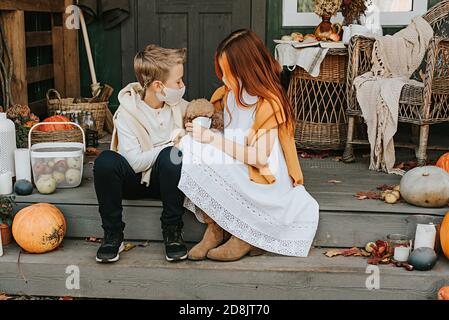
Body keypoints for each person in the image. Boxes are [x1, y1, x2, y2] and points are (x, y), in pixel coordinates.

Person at [178, 29, 320, 262]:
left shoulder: (268, 102)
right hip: (237, 157)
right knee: (190, 147)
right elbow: (224, 126)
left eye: (228, 73)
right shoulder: (230, 93)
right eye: (222, 72)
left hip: (261, 174)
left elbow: (259, 157)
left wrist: (211, 139)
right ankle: (216, 227)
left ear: (246, 70)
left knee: (201, 149)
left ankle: (245, 234)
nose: (223, 78)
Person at [94, 44, 189, 263]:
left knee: (172, 157)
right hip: (133, 181)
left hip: (166, 183)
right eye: (178, 81)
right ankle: (112, 234)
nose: (182, 85)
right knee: (106, 161)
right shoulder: (127, 113)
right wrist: (169, 143)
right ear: (158, 86)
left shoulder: (177, 105)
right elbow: (135, 162)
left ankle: (172, 230)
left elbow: (201, 115)